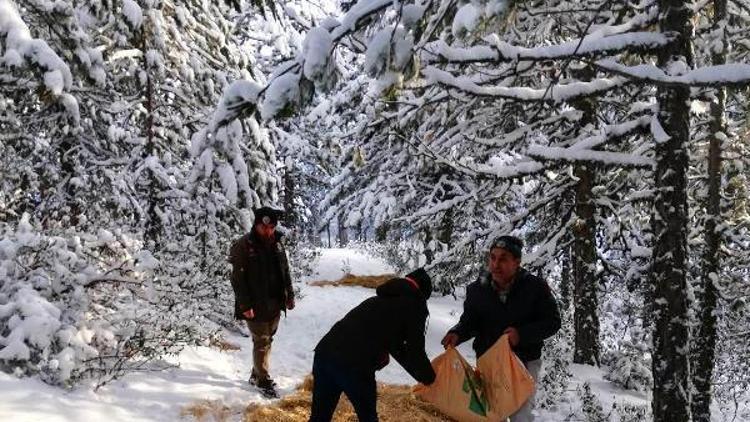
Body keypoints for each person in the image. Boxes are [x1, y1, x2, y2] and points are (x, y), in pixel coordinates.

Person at [441, 236, 561, 422]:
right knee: (489, 414)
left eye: (503, 258)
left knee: (520, 416)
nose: (496, 264)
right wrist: (456, 333)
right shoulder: (477, 290)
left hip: (524, 364)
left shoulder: (535, 288)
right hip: (489, 362)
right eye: (493, 257)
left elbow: (552, 322)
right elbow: (469, 322)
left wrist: (521, 335)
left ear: (517, 262)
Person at [309, 269, 437, 422]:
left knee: (319, 418)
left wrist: (421, 376)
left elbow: (395, 346)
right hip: (354, 365)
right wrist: (430, 378)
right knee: (368, 418)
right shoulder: (414, 305)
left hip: (324, 354)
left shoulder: (379, 300)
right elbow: (414, 349)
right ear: (422, 294)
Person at [229, 206, 295, 398]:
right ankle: (263, 380)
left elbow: (286, 271)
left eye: (272, 227)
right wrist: (245, 306)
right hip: (254, 304)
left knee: (267, 339)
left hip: (275, 301)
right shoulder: (243, 245)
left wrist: (289, 295)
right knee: (262, 341)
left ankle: (255, 374)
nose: (268, 231)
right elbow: (237, 279)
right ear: (256, 225)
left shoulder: (277, 243)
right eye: (264, 227)